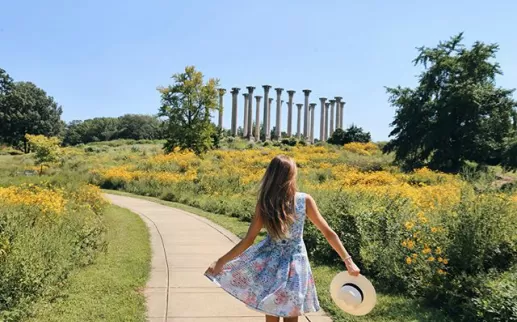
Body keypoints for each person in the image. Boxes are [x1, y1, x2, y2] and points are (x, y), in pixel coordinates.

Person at [205, 155, 360, 322]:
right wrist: (348, 260)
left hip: (270, 266)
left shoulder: (265, 202)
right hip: (296, 266)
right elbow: (328, 232)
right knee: (291, 317)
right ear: (290, 176)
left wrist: (221, 261)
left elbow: (248, 240)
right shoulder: (303, 200)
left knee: (271, 314)